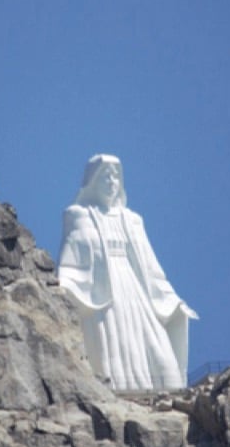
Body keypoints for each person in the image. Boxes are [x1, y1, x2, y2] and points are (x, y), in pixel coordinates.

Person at [58, 154, 197, 391]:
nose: (112, 181)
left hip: (135, 289)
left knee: (159, 351)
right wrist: (63, 286)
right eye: (105, 176)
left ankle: (169, 389)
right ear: (92, 181)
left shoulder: (133, 220)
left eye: (116, 176)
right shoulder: (77, 214)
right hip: (103, 292)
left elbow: (151, 266)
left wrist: (171, 299)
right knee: (112, 344)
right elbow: (71, 258)